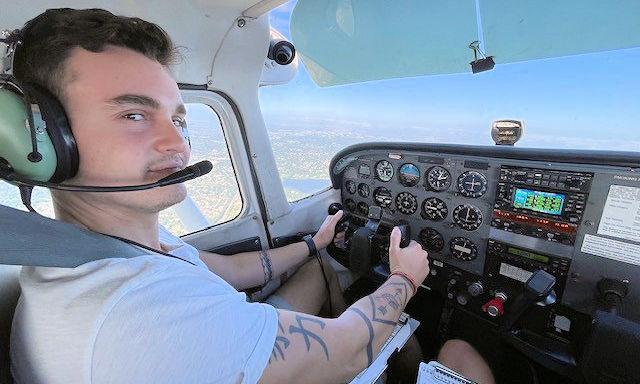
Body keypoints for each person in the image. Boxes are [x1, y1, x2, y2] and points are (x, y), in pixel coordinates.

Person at [7, 8, 493, 384]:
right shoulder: (137, 312)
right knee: (459, 354)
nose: (178, 145)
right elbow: (347, 347)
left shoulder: (117, 252)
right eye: (133, 114)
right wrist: (406, 279)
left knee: (315, 269)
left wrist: (315, 243)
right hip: (321, 351)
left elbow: (231, 271)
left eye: (178, 118)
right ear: (40, 140)